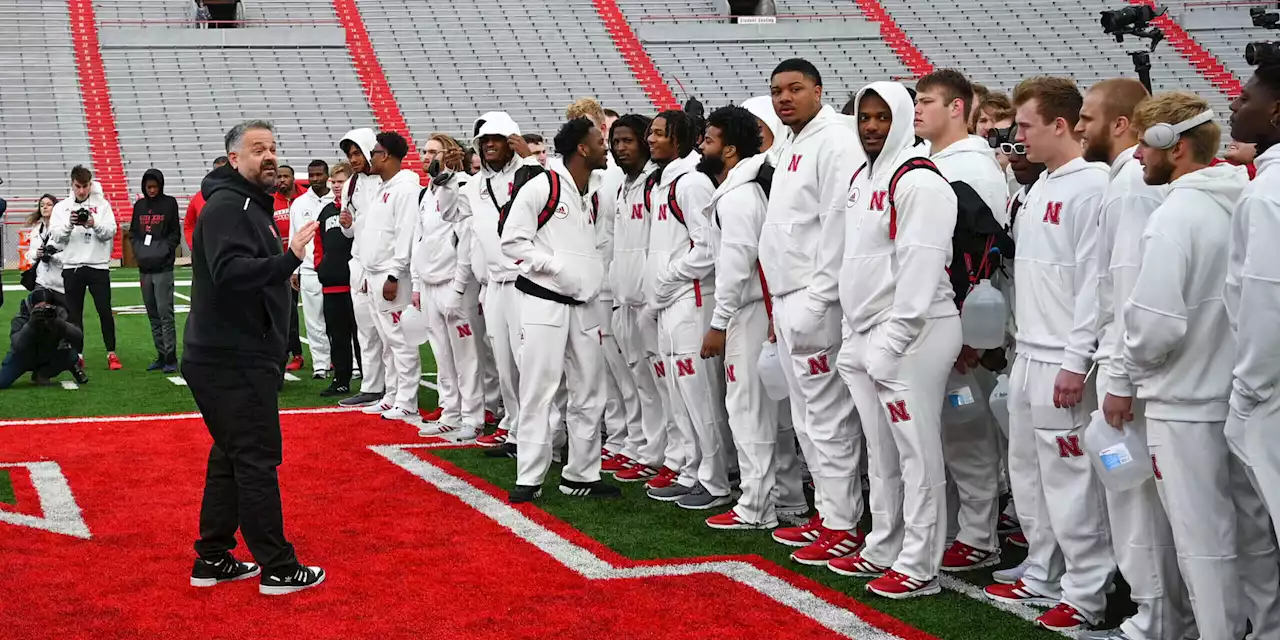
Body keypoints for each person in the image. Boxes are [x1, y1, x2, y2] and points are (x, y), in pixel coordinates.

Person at [1118, 89, 1280, 640]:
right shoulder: (1243, 194)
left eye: (1145, 142)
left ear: (1175, 145)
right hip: (1237, 400)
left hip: (1184, 403)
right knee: (1253, 535)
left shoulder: (1176, 215)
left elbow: (1154, 325)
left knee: (1201, 541)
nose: (1137, 154)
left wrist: (1134, 366)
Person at [983, 77, 1115, 632]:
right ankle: (1043, 567)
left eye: (1028, 127)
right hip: (1029, 352)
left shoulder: (1093, 187)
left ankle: (1087, 590)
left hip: (1064, 356)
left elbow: (1096, 285)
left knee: (1072, 477)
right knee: (1030, 471)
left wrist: (1075, 357)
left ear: (1060, 126)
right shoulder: (1039, 186)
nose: (1019, 137)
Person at [828, 81, 961, 599]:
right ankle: (885, 543)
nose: (871, 127)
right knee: (880, 453)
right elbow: (854, 260)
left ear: (903, 119)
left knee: (915, 452)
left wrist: (894, 339)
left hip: (916, 330)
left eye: (883, 117)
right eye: (865, 117)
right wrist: (852, 332)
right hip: (867, 331)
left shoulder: (920, 181)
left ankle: (920, 561)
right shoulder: (863, 176)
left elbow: (921, 268)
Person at [183, 119, 324, 595]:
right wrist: (289, 259)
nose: (268, 156)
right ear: (234, 159)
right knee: (256, 458)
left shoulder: (246, 205)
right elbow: (230, 272)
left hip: (235, 353)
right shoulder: (229, 205)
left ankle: (213, 556)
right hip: (231, 357)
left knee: (231, 455)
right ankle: (278, 567)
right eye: (257, 149)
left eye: (272, 148)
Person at [1079, 78, 1192, 640]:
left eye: (1088, 117)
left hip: (1131, 371)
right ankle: (1161, 613)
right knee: (1142, 500)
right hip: (1133, 365)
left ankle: (1156, 619)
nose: (1078, 127)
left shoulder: (1131, 185)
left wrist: (1117, 375)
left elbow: (1125, 292)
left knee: (1137, 504)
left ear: (1120, 125)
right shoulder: (1128, 180)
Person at [758, 59, 865, 566]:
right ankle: (828, 513)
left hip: (814, 297)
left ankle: (843, 523)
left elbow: (836, 226)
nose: (784, 98)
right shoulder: (794, 142)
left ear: (819, 90)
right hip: (787, 295)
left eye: (795, 89)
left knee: (828, 417)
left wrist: (820, 299)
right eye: (777, 90)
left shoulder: (835, 141)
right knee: (806, 418)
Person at [913, 68, 1008, 574]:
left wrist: (971, 328)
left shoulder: (973, 166)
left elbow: (981, 250)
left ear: (957, 108)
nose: (917, 109)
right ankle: (959, 525)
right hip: (938, 313)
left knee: (966, 426)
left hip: (962, 318)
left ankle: (979, 534)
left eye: (928, 101)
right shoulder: (934, 160)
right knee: (948, 428)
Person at [697, 105, 804, 530]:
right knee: (770, 413)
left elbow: (738, 263)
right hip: (760, 307)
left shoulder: (739, 194)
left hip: (748, 310)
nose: (702, 146)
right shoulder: (746, 188)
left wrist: (719, 323)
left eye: (709, 140)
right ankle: (788, 498)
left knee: (748, 410)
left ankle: (756, 505)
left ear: (730, 150)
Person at [501, 117, 619, 502]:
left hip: (585, 304)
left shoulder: (598, 190)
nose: (607, 147)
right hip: (542, 302)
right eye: (600, 141)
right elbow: (512, 242)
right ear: (582, 149)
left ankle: (581, 475)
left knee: (590, 391)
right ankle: (529, 477)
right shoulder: (543, 185)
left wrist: (590, 277)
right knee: (539, 390)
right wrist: (555, 267)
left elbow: (601, 244)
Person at [642, 109, 728, 510]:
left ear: (682, 138)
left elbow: (706, 247)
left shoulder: (691, 183)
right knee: (679, 396)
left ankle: (714, 480)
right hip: (670, 301)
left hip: (691, 300)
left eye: (660, 133)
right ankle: (692, 470)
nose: (651, 139)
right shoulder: (663, 182)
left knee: (701, 396)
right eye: (652, 132)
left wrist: (668, 276)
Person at [435, 112, 538, 448]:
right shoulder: (475, 184)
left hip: (527, 281)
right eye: (484, 141)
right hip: (493, 285)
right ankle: (515, 423)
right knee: (505, 364)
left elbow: (554, 188)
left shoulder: (530, 174)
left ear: (511, 141)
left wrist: (530, 157)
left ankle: (542, 430)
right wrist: (449, 176)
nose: (490, 145)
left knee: (530, 360)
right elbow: (450, 213)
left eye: (497, 139)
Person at [1226, 62, 1280, 633]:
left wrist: (1248, 389)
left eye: (1246, 98)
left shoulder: (1267, 193)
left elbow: (1265, 297)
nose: (1235, 107)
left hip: (1270, 387)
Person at [608, 114, 675, 483]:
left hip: (652, 302)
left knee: (662, 385)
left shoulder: (655, 183)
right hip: (626, 300)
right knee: (640, 383)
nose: (620, 148)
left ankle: (669, 455)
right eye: (615, 142)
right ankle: (650, 449)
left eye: (628, 140)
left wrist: (651, 295)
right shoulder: (625, 186)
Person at [412, 159, 483, 441]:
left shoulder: (461, 188)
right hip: (430, 284)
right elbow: (419, 239)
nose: (429, 159)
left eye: (435, 153)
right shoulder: (425, 193)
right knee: (442, 356)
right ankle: (450, 412)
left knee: (466, 357)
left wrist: (458, 287)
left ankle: (473, 417)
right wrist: (417, 282)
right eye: (427, 152)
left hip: (453, 284)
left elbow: (465, 244)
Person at [356, 132, 422, 423]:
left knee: (400, 340)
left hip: (391, 275)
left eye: (374, 152)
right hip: (375, 273)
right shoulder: (385, 187)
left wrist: (395, 273)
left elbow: (405, 233)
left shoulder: (406, 188)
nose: (370, 157)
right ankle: (392, 394)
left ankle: (407, 400)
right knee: (386, 340)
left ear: (386, 155)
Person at [337, 128, 389, 408]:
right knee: (366, 330)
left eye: (358, 153)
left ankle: (396, 389)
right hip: (358, 264)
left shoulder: (387, 180)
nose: (353, 159)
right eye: (349, 154)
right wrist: (347, 226)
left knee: (389, 332)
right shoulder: (351, 184)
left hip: (384, 265)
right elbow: (352, 231)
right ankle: (371, 386)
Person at [49, 165, 120, 371]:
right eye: (78, 186)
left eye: (86, 186)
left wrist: (93, 222)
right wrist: (69, 224)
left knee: (105, 311)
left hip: (98, 266)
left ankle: (111, 352)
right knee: (74, 314)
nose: (82, 191)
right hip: (72, 266)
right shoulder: (61, 208)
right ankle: (77, 354)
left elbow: (110, 232)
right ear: (72, 184)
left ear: (91, 184)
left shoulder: (102, 204)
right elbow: (56, 237)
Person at [130, 168, 182, 373]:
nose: (152, 190)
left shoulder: (169, 203)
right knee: (152, 313)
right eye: (148, 187)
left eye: (155, 186)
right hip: (144, 268)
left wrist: (164, 250)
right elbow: (133, 232)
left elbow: (174, 233)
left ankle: (171, 357)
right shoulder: (139, 206)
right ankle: (160, 354)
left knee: (165, 313)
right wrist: (139, 250)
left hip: (163, 268)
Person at [315, 163, 360, 398]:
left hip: (356, 284)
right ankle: (341, 380)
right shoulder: (325, 212)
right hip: (331, 284)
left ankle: (371, 382)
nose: (335, 185)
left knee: (362, 336)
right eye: (333, 181)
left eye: (340, 181)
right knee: (338, 336)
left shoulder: (360, 207)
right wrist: (320, 266)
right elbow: (318, 243)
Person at [289, 160, 335, 380]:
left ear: (327, 175)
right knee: (313, 319)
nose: (315, 179)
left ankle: (349, 361)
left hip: (335, 269)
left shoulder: (337, 199)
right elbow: (294, 237)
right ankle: (320, 364)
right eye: (311, 175)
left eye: (319, 174)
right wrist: (293, 268)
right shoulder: (299, 203)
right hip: (308, 268)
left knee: (339, 318)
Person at [0, 289, 87, 389]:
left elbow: (78, 336)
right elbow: (18, 346)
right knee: (2, 382)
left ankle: (42, 373)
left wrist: (58, 322)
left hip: (48, 353)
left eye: (46, 308)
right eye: (39, 308)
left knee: (71, 356)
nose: (43, 311)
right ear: (31, 307)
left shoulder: (59, 315)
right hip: (24, 356)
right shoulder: (20, 319)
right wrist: (31, 324)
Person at [274, 165, 308, 372]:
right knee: (289, 312)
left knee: (322, 312)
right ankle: (295, 353)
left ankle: (330, 354)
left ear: (293, 178)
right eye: (279, 177)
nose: (282, 180)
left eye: (285, 176)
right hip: (286, 262)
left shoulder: (306, 198)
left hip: (312, 260)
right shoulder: (271, 201)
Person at [185, 156, 229, 250]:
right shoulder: (198, 197)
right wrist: (193, 245)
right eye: (217, 171)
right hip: (205, 252)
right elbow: (189, 225)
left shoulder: (242, 196)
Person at [24, 195, 64, 296]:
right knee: (39, 310)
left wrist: (52, 257)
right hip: (41, 280)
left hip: (59, 281)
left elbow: (69, 254)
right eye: (42, 205)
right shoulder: (36, 230)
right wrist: (37, 253)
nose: (44, 207)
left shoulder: (62, 229)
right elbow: (29, 255)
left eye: (49, 205)